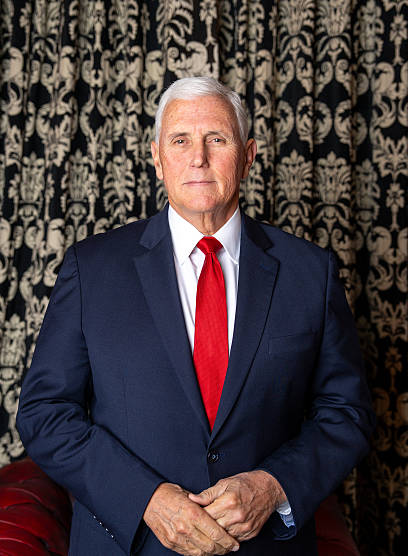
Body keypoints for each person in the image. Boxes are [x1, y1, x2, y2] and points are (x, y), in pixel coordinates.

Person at [17, 77, 375, 556]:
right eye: (180, 140)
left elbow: (347, 413)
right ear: (157, 158)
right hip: (130, 546)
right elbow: (44, 413)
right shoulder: (92, 269)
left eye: (217, 139)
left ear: (248, 155)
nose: (198, 158)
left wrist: (272, 486)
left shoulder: (311, 273)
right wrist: (145, 499)